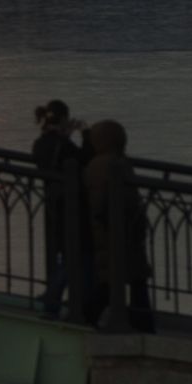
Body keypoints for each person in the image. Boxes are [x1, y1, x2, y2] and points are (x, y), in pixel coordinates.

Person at [83, 118, 155, 333]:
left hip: (111, 233)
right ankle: (141, 325)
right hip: (121, 233)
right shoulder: (116, 164)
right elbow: (126, 199)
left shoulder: (94, 165)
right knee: (127, 279)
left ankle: (138, 323)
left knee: (117, 280)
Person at [31, 99, 89, 320]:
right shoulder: (64, 145)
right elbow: (84, 160)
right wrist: (84, 133)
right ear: (64, 118)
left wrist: (65, 136)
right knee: (74, 254)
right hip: (71, 206)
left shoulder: (40, 144)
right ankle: (56, 298)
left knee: (60, 252)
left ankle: (56, 297)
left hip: (51, 205)